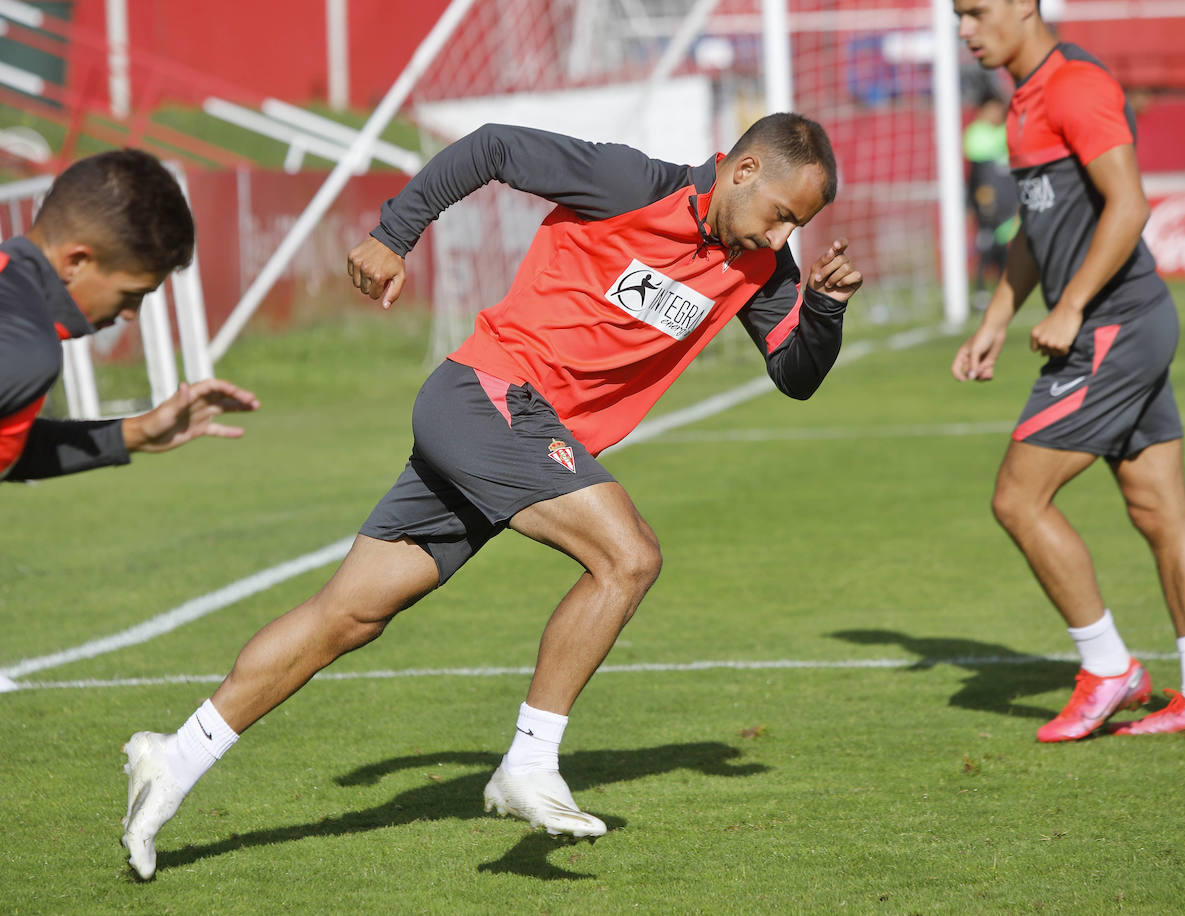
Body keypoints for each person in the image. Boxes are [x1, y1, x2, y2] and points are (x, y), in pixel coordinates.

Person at [120, 114, 863, 879]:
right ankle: (529, 763)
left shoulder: (762, 269)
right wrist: (393, 234)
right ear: (742, 172)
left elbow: (795, 375)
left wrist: (827, 307)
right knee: (628, 557)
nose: (782, 240)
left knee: (346, 616)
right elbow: (493, 147)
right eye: (781, 215)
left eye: (797, 228)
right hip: (488, 396)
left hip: (506, 435)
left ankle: (171, 761)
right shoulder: (633, 184)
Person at [949, 0, 1185, 742]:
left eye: (977, 12)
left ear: (1023, 6)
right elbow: (1034, 230)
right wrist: (994, 320)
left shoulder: (1075, 83)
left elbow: (1130, 203)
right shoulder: (1021, 101)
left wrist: (1072, 306)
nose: (965, 29)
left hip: (1115, 324)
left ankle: (1109, 670)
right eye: (958, 15)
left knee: (1019, 498)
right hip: (1118, 325)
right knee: (1156, 509)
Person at [1, 149, 259, 485]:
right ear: (76, 262)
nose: (130, 314)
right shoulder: (27, 349)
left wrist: (135, 433)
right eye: (131, 295)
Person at [963, 92, 1019, 307]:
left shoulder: (1004, 132)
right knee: (986, 245)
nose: (997, 113)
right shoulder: (976, 133)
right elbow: (978, 174)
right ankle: (980, 291)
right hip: (988, 200)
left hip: (1008, 200)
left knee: (1005, 246)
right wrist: (980, 199)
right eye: (992, 108)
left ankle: (1002, 291)